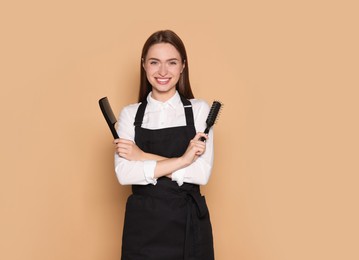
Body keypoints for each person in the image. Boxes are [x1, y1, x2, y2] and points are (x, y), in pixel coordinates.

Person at [114, 30, 215, 260]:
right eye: (154, 62)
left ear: (182, 66)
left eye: (171, 62)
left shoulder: (199, 110)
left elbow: (200, 173)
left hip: (188, 226)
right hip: (142, 229)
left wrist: (141, 156)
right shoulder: (130, 115)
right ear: (144, 65)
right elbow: (124, 173)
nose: (162, 72)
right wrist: (182, 161)